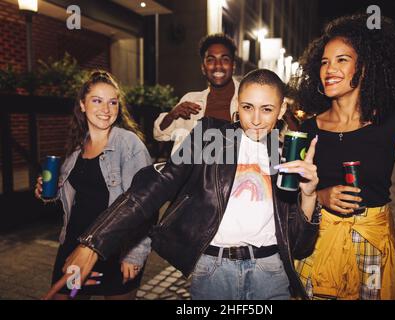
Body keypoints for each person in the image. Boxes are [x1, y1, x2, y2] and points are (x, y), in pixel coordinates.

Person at [44, 69, 321, 300]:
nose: (257, 119)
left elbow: (300, 244)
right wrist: (93, 243)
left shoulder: (289, 154)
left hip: (270, 272)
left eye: (267, 109)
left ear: (282, 107)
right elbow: (157, 185)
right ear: (237, 104)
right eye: (248, 107)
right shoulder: (210, 138)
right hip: (214, 270)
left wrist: (308, 196)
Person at [294, 14, 395, 300]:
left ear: (364, 67)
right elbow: (286, 193)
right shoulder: (307, 129)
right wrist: (321, 196)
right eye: (325, 61)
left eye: (342, 60)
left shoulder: (394, 125)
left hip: (372, 252)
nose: (329, 69)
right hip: (317, 250)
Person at [35, 70, 153, 300]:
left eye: (112, 102)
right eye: (97, 101)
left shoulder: (129, 144)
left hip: (116, 250)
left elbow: (145, 204)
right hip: (74, 246)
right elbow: (75, 195)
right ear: (82, 104)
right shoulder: (78, 147)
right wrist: (49, 192)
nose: (106, 110)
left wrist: (135, 254)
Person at [153, 33, 240, 154]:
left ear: (233, 66)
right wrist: (172, 115)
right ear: (203, 68)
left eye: (225, 59)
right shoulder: (191, 100)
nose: (218, 66)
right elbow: (160, 134)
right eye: (211, 60)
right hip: (197, 172)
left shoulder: (249, 100)